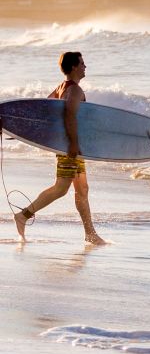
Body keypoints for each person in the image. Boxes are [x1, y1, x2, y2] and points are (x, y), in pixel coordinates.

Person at [14, 51, 105, 245]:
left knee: (82, 189)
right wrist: (72, 143)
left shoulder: (62, 88)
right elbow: (69, 116)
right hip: (69, 146)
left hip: (71, 145)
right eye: (82, 63)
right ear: (74, 67)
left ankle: (90, 233)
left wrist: (15, 128)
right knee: (61, 188)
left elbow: (42, 111)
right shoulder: (75, 91)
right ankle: (23, 215)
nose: (85, 67)